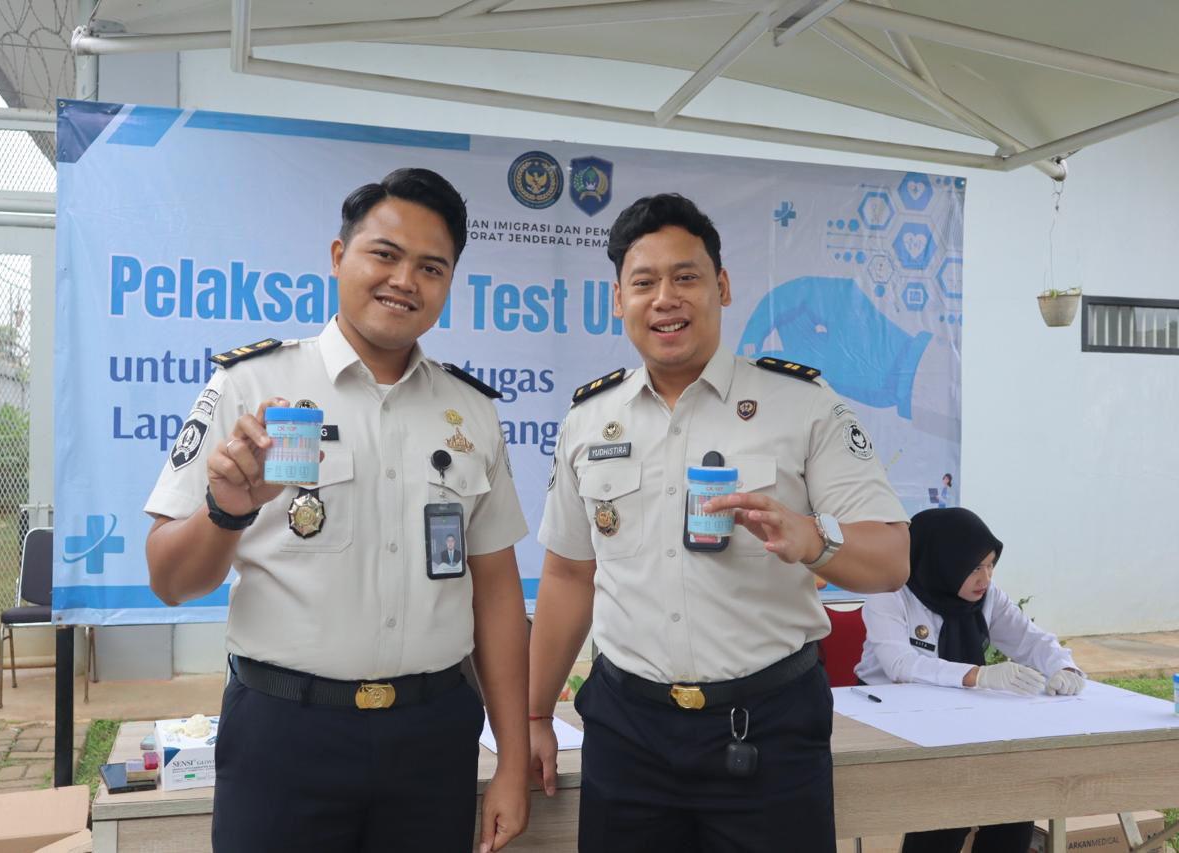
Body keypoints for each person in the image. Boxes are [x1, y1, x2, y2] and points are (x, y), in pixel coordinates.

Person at [144, 168, 530, 853]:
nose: (404, 280)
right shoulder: (251, 384)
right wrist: (226, 512)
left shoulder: (470, 410)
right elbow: (170, 580)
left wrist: (511, 759)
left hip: (433, 738)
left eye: (431, 267)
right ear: (337, 256)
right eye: (385, 254)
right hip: (285, 736)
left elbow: (496, 590)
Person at [528, 193, 911, 853]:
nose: (665, 299)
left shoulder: (803, 405)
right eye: (644, 283)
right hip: (627, 733)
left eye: (686, 277)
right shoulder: (589, 421)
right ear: (618, 299)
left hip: (767, 729)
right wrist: (536, 713)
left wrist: (813, 540)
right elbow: (567, 574)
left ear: (723, 287)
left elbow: (892, 558)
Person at [855, 507, 1085, 853]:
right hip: (889, 721)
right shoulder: (889, 593)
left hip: (960, 718)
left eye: (991, 565)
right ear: (944, 562)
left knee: (1015, 808)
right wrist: (978, 675)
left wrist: (1065, 668)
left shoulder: (987, 597)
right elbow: (900, 664)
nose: (986, 578)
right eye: (974, 567)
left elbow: (1032, 640)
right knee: (949, 810)